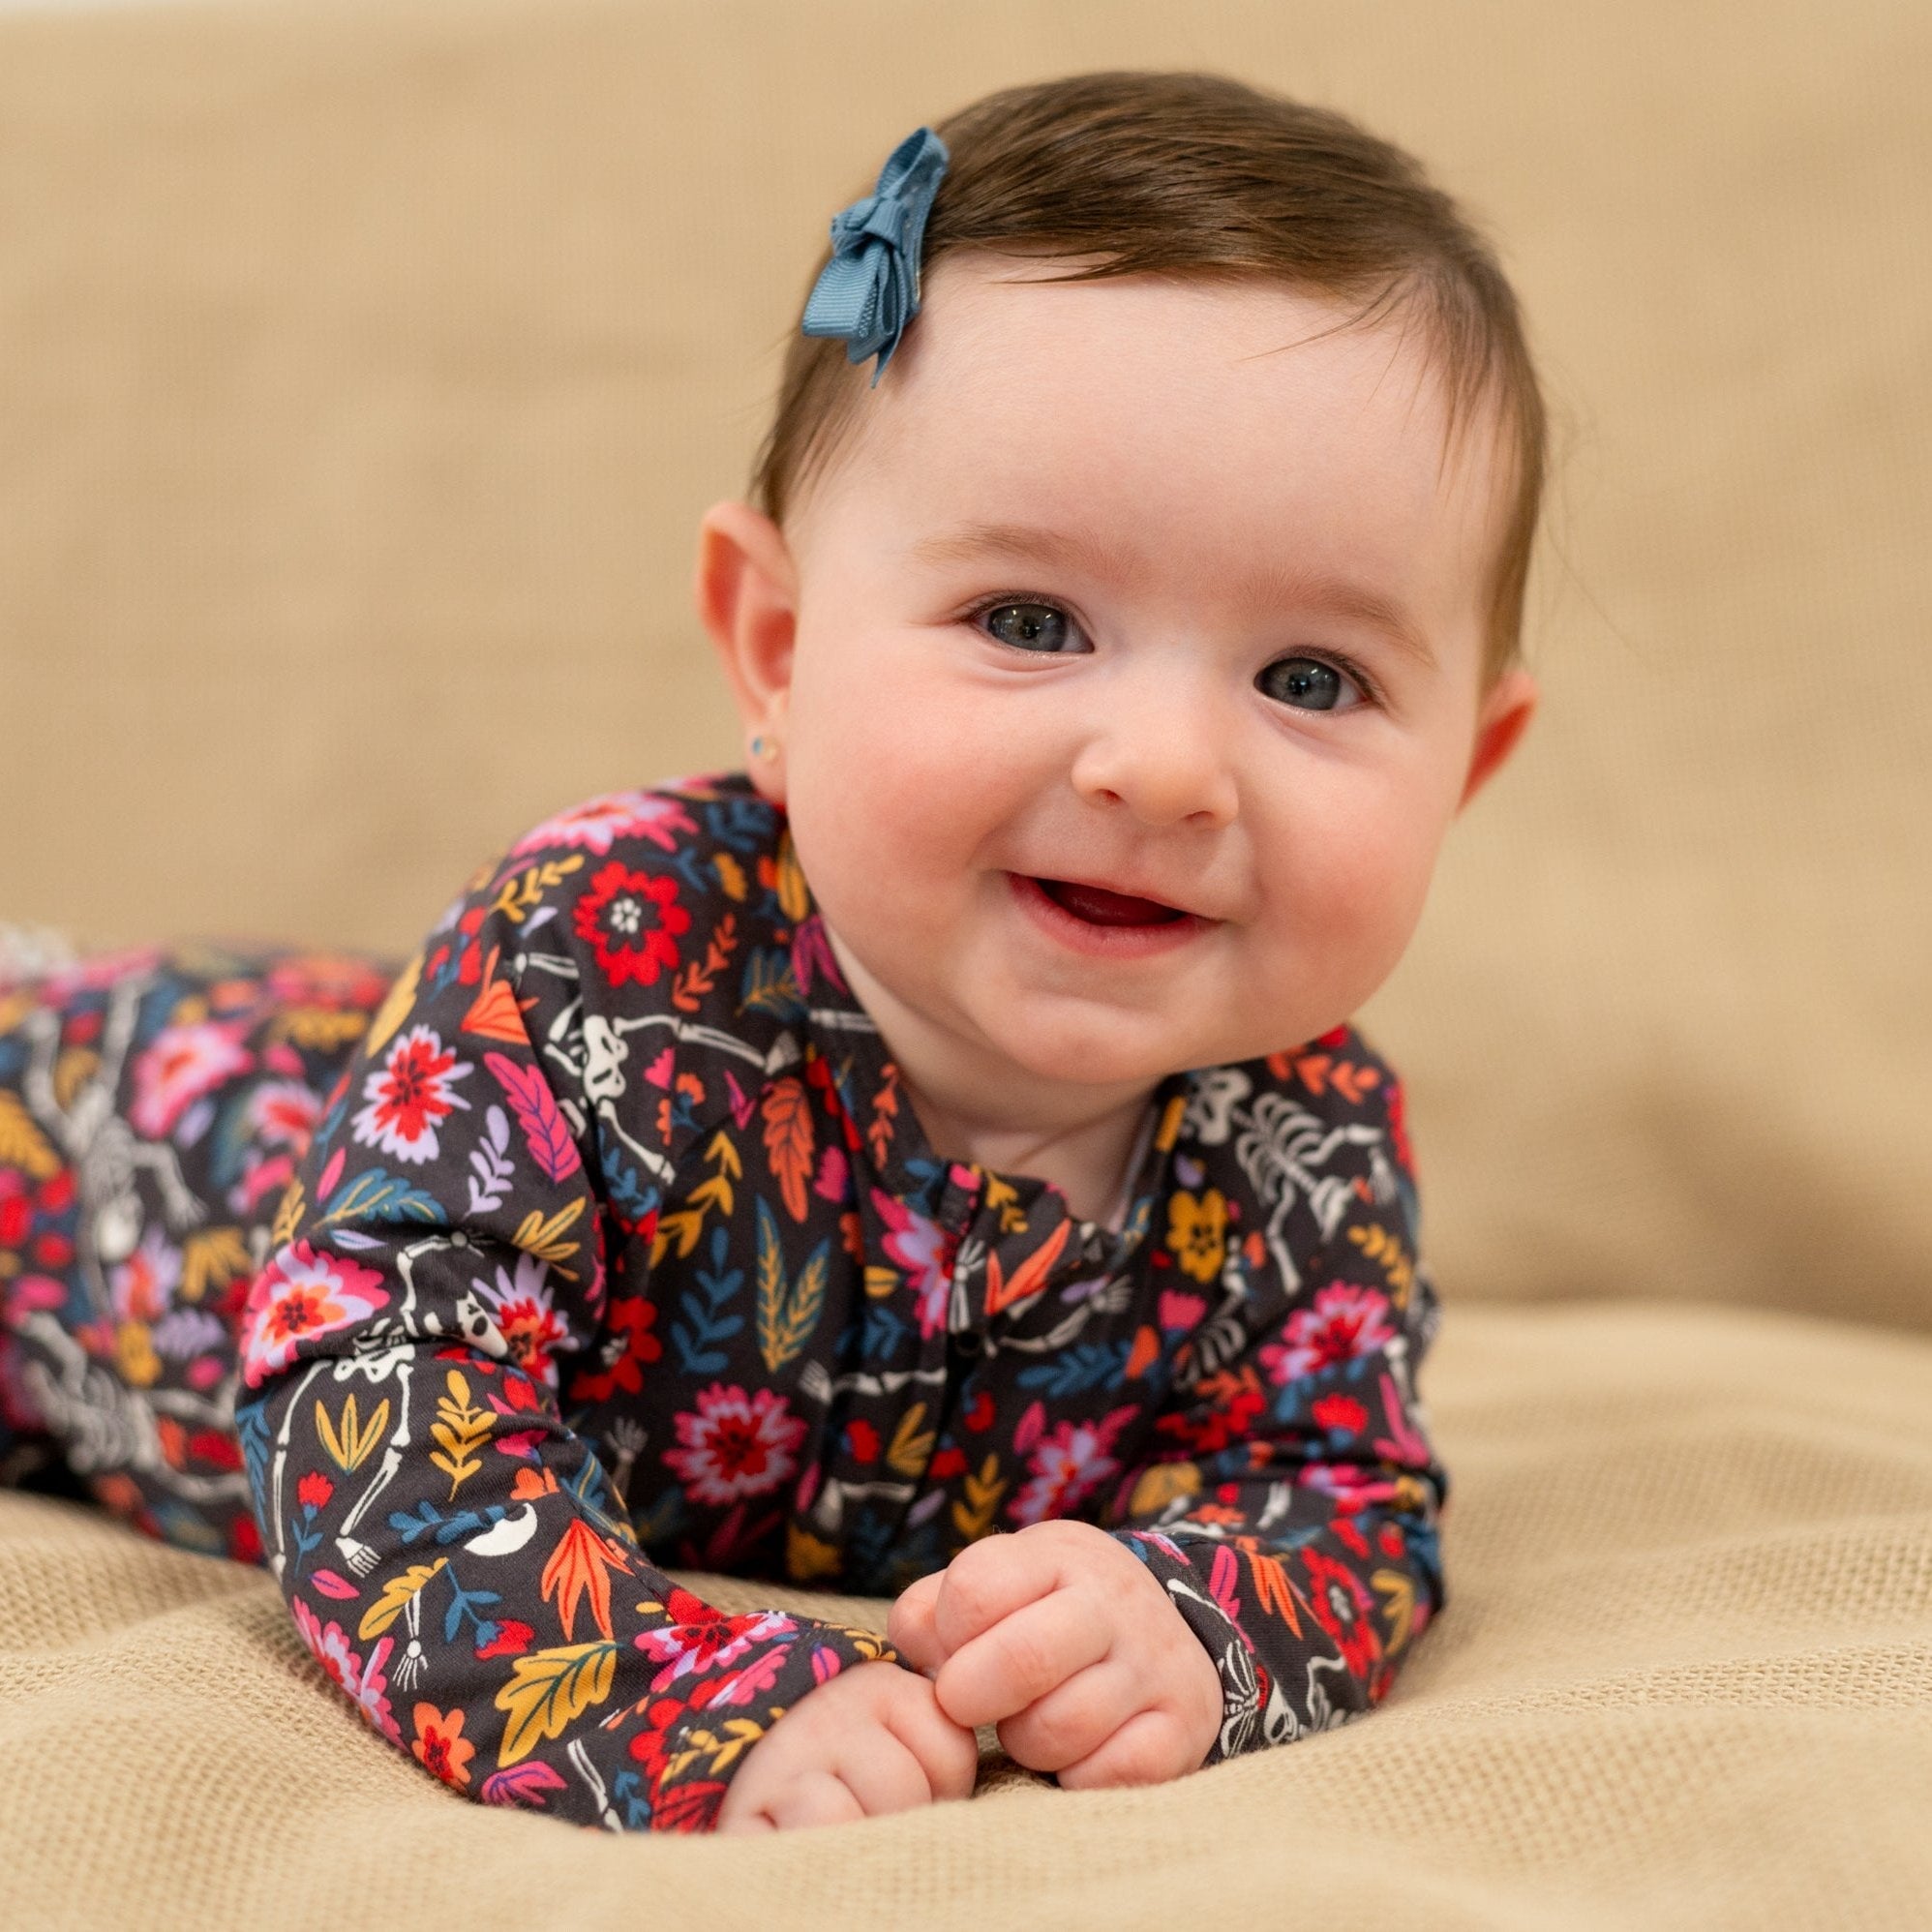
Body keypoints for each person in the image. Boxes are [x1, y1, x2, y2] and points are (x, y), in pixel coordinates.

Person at [0, 69, 1542, 1834]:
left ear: (1466, 769)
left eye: (1312, 681)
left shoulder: (1307, 1138)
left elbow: (1337, 1490)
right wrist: (665, 1696)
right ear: (779, 652)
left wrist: (1195, 1625)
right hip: (78, 1137)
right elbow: (379, 1377)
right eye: (1031, 623)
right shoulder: (608, 960)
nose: (1169, 768)